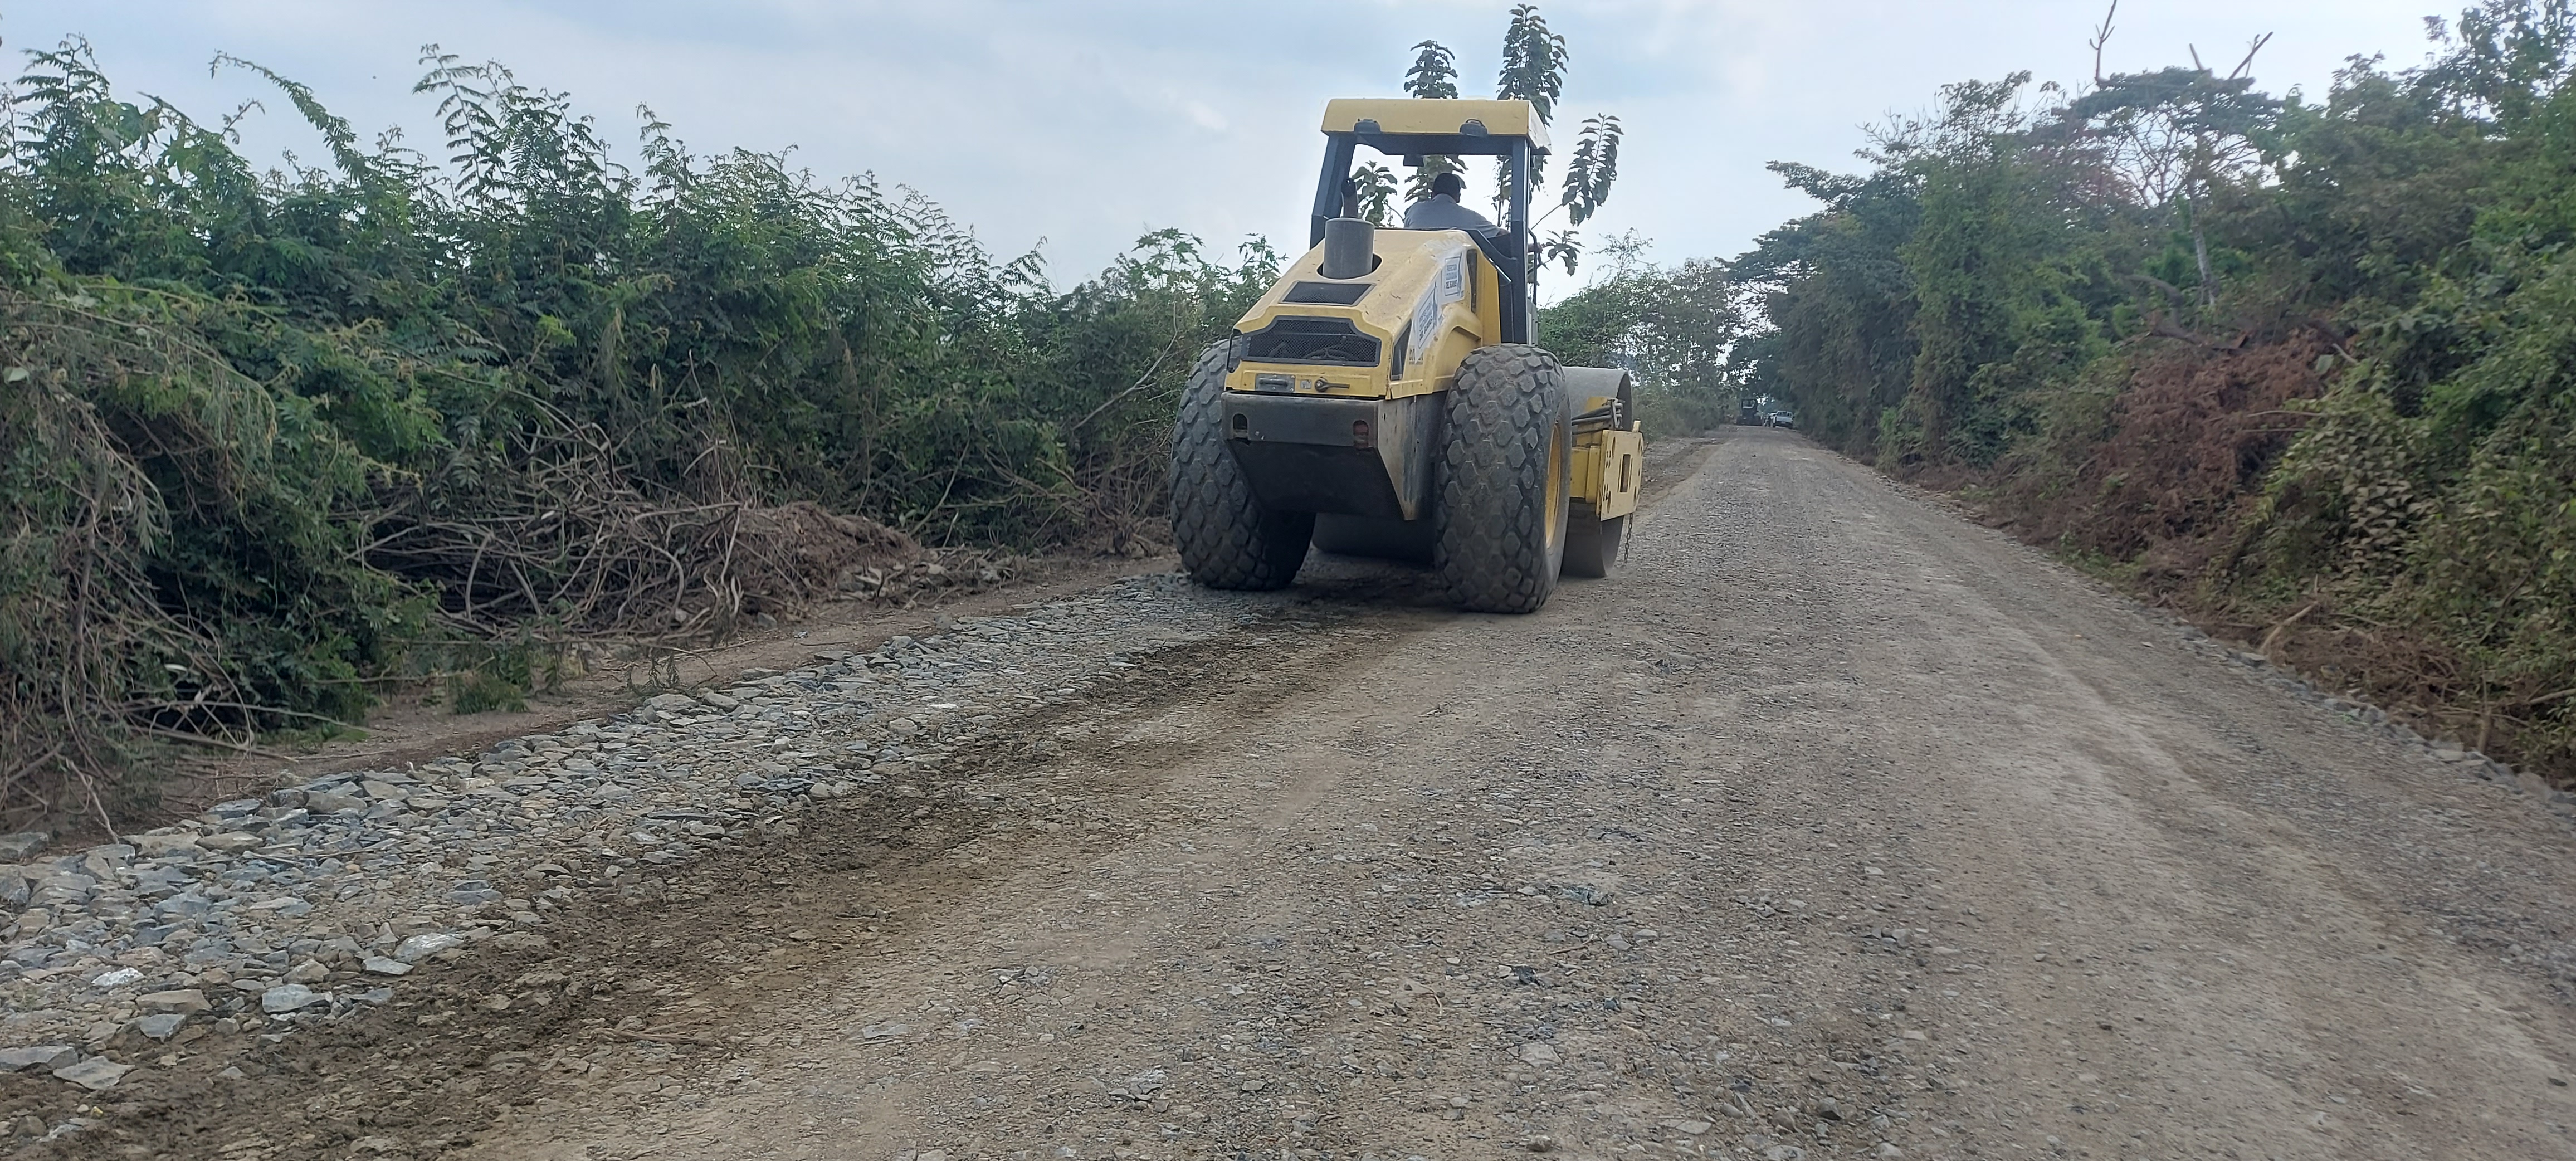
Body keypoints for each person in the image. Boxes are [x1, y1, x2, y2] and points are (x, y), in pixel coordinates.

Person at [1402, 170, 1494, 231]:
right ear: (1458, 197)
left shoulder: (1415, 210)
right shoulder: (1472, 218)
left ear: (1432, 195)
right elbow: (1499, 234)